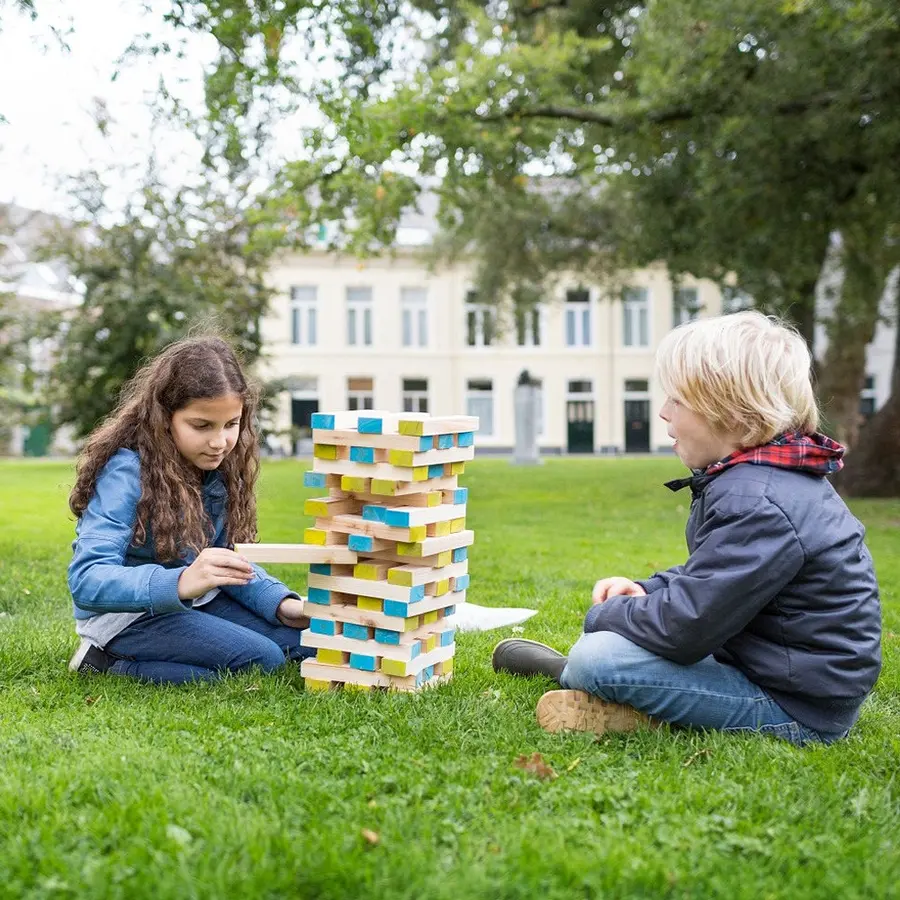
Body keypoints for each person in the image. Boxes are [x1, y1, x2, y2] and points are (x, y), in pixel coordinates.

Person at [493, 311, 882, 746]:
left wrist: (602, 617)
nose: (662, 412)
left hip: (796, 707)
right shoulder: (765, 483)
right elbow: (717, 577)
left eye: (676, 400)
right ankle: (602, 683)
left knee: (598, 656)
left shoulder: (759, 501)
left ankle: (580, 676)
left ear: (732, 415)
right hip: (774, 668)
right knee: (616, 645)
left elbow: (686, 628)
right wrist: (647, 590)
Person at [67, 334, 314, 683]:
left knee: (309, 642)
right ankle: (105, 662)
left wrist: (281, 605)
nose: (220, 442)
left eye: (231, 425)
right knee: (263, 660)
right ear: (164, 418)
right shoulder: (126, 471)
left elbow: (224, 560)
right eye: (202, 426)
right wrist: (181, 581)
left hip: (197, 600)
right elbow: (87, 579)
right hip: (128, 615)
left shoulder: (220, 467)